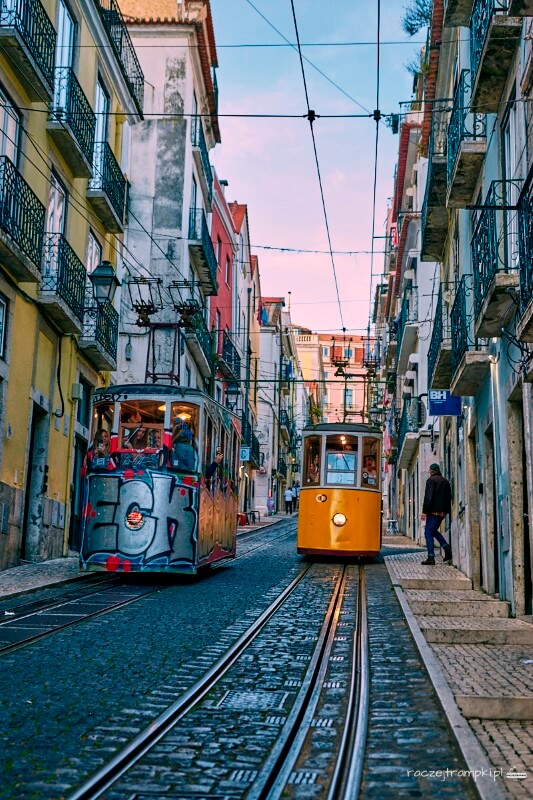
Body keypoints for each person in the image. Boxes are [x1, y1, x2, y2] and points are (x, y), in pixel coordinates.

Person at [421, 463, 452, 565]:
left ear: (432, 471)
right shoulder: (446, 481)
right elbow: (449, 497)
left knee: (428, 533)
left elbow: (428, 497)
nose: (429, 472)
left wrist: (425, 512)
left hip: (433, 511)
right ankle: (446, 547)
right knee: (433, 531)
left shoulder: (431, 480)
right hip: (443, 512)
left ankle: (431, 557)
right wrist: (446, 511)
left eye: (429, 470)